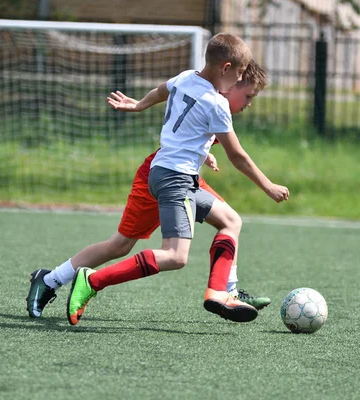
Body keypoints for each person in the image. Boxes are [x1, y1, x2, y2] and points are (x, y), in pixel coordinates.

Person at [66, 32, 289, 326]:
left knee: (231, 220)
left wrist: (138, 105)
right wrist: (268, 185)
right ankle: (93, 280)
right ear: (225, 68)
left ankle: (218, 292)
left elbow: (161, 91)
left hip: (166, 171)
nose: (236, 83)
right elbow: (238, 157)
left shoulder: (186, 77)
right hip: (176, 178)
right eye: (236, 76)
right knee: (175, 256)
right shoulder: (216, 103)